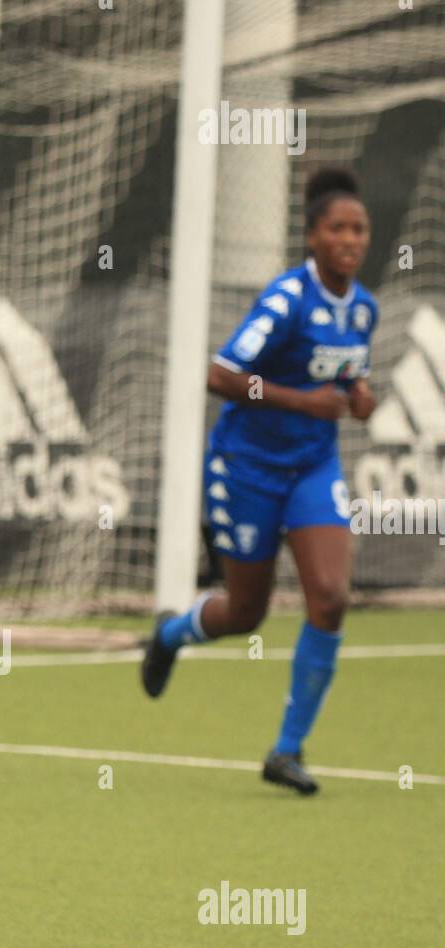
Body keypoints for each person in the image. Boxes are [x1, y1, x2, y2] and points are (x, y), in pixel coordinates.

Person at [142, 168, 378, 794]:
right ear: (313, 237)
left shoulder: (364, 309)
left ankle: (287, 750)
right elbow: (221, 375)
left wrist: (360, 398)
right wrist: (302, 402)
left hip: (313, 468)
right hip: (246, 466)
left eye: (359, 229)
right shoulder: (285, 300)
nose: (350, 239)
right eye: (337, 229)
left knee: (329, 597)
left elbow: (349, 380)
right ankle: (170, 633)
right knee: (246, 612)